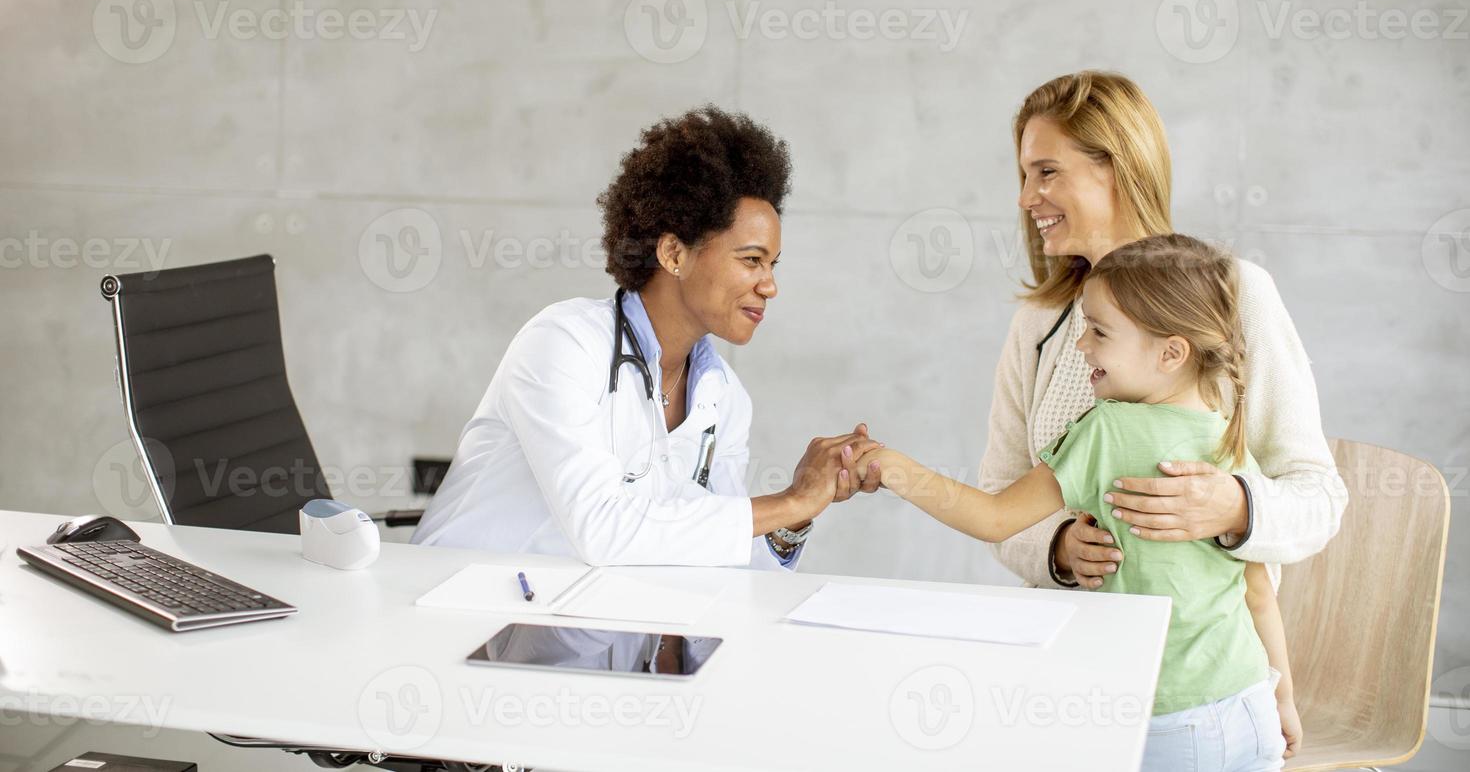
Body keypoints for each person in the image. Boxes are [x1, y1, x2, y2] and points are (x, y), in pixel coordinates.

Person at [412, 105, 883, 673]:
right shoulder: (563, 345)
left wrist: (800, 511)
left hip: (590, 661)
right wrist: (783, 503)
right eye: (752, 260)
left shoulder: (722, 397)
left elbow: (729, 572)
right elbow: (604, 531)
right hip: (462, 647)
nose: (771, 285)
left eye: (774, 263)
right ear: (673, 253)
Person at [860, 234, 1302, 770]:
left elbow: (994, 517)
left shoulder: (1106, 429)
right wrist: (1283, 699)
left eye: (1098, 331)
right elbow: (1258, 591)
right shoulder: (1227, 442)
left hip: (1160, 721)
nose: (1081, 345)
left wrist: (894, 468)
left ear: (1171, 352)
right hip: (1249, 708)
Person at [978, 71, 1347, 594]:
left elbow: (1319, 497)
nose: (1026, 198)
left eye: (1047, 171)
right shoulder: (1039, 324)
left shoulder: (1238, 295)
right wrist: (1058, 547)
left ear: (1116, 169)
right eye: (1024, 175)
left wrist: (1235, 507)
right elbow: (997, 494)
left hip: (1203, 658)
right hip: (1066, 640)